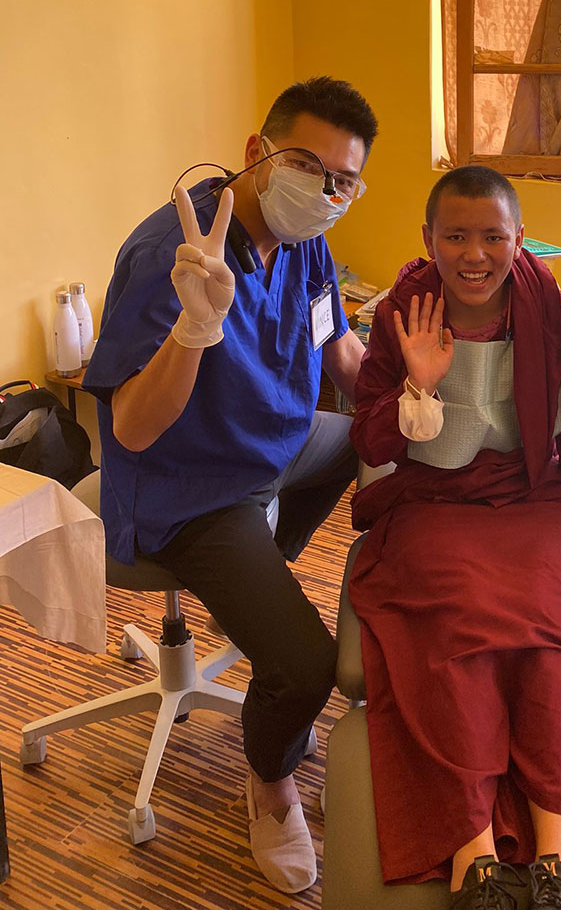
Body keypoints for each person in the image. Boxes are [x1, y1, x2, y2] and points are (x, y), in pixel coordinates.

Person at [83, 76, 378, 894]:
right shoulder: (169, 254)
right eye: (304, 163)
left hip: (272, 450)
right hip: (189, 491)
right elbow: (135, 430)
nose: (323, 190)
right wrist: (194, 327)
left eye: (343, 180)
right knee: (308, 665)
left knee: (369, 444)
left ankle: (258, 583)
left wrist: (415, 391)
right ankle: (269, 783)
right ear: (256, 154)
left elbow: (340, 357)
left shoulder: (306, 235)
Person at [348, 166, 561, 910]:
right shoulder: (401, 314)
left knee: (549, 628)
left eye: (493, 236)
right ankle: (474, 858)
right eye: (456, 236)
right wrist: (416, 386)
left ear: (522, 242)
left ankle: (559, 862)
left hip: (535, 500)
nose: (475, 254)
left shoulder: (556, 321)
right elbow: (371, 436)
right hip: (434, 504)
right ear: (428, 239)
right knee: (455, 626)